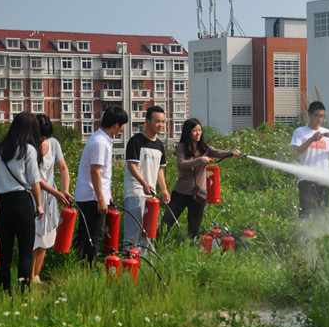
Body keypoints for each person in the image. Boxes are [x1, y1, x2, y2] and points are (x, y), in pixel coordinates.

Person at [0, 112, 44, 294]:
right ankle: (24, 294)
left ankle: (6, 293)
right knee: (25, 253)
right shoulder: (28, 150)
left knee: (5, 254)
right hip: (22, 202)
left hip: (3, 204)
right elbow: (34, 180)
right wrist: (39, 204)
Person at [161, 118, 241, 239]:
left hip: (199, 195)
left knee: (194, 229)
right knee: (166, 223)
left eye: (199, 130)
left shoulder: (205, 148)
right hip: (181, 193)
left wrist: (231, 153)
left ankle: (191, 247)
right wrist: (200, 160)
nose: (198, 133)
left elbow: (219, 152)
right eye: (194, 131)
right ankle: (157, 244)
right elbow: (181, 164)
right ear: (188, 132)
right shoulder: (181, 147)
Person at [74, 105, 127, 265]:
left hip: (92, 194)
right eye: (122, 125)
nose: (122, 129)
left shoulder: (102, 139)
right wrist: (101, 199)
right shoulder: (100, 142)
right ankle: (90, 267)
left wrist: (107, 192)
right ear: (116, 125)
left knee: (85, 234)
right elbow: (95, 171)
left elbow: (102, 172)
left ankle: (79, 265)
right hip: (92, 196)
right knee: (94, 235)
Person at [123, 105, 170, 252]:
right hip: (135, 192)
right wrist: (144, 183)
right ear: (147, 121)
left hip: (151, 196)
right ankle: (128, 261)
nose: (161, 124)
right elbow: (132, 166)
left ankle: (142, 262)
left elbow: (160, 170)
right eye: (157, 121)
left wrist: (164, 189)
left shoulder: (159, 145)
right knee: (133, 231)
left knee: (147, 233)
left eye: (163, 121)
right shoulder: (136, 141)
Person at [32, 113, 72, 282]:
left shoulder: (54, 144)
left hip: (50, 200)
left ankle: (37, 275)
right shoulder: (29, 147)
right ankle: (29, 276)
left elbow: (63, 168)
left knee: (46, 238)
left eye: (45, 136)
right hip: (35, 197)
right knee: (34, 238)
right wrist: (56, 193)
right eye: (41, 136)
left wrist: (65, 190)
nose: (43, 139)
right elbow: (35, 178)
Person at [290, 101, 329, 219]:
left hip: (323, 179)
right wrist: (311, 140)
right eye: (316, 115)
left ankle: (319, 230)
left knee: (320, 214)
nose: (319, 119)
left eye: (322, 116)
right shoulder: (300, 132)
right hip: (306, 179)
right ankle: (302, 229)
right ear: (309, 115)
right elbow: (296, 152)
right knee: (304, 213)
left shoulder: (326, 133)